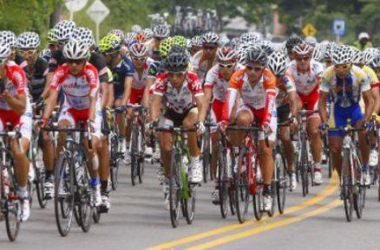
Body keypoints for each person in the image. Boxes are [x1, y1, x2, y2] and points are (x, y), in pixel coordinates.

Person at [42, 40, 103, 205]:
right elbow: (53, 97)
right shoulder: (61, 72)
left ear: (85, 60)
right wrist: (45, 119)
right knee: (61, 130)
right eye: (70, 61)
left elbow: (93, 96)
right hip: (71, 107)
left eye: (78, 61)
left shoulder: (91, 72)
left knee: (90, 147)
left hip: (90, 108)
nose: (73, 65)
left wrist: (90, 120)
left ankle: (96, 184)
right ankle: (62, 173)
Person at [220, 46, 277, 211]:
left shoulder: (269, 78)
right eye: (249, 67)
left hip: (266, 111)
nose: (252, 72)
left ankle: (267, 191)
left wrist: (266, 122)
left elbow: (271, 102)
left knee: (265, 149)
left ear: (263, 68)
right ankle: (243, 156)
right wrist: (224, 121)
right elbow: (230, 99)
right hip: (249, 108)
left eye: (257, 69)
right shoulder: (238, 76)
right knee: (240, 120)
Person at [149, 52, 207, 209]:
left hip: (190, 110)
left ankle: (195, 162)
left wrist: (201, 122)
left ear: (185, 73)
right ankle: (169, 181)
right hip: (172, 112)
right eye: (171, 75)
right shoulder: (162, 80)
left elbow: (201, 103)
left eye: (179, 75)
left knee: (189, 124)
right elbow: (155, 104)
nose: (174, 79)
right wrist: (153, 122)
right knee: (166, 146)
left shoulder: (192, 79)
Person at [319, 45, 373, 186]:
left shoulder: (360, 74)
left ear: (350, 64)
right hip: (337, 110)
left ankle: (365, 168)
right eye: (337, 66)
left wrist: (366, 120)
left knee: (362, 132)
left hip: (354, 107)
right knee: (334, 148)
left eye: (344, 66)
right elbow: (322, 102)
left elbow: (369, 101)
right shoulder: (327, 74)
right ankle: (344, 177)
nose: (340, 70)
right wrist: (324, 122)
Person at [203, 46, 243, 204]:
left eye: (229, 65)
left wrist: (231, 118)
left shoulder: (241, 71)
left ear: (235, 63)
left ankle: (239, 160)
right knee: (215, 141)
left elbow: (238, 99)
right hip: (219, 103)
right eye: (222, 65)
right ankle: (217, 185)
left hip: (236, 103)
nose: (225, 69)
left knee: (235, 133)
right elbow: (206, 97)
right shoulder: (212, 72)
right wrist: (202, 116)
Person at [0, 41, 32, 221]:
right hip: (1, 113)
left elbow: (21, 108)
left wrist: (7, 96)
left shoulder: (16, 73)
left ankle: (22, 192)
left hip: (19, 111)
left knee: (18, 149)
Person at [288, 43, 324, 185]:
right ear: (294, 58)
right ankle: (295, 139)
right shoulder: (289, 68)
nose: (303, 61)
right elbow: (288, 90)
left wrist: (320, 108)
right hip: (297, 97)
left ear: (311, 57)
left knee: (314, 130)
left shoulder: (318, 67)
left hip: (314, 97)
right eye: (299, 59)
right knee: (293, 118)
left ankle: (317, 169)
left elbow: (323, 89)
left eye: (306, 58)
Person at [268, 51, 299, 191]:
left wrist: (293, 116)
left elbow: (293, 98)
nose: (276, 78)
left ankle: (291, 169)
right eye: (274, 75)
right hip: (269, 107)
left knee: (286, 137)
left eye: (278, 76)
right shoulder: (264, 76)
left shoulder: (287, 78)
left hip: (284, 107)